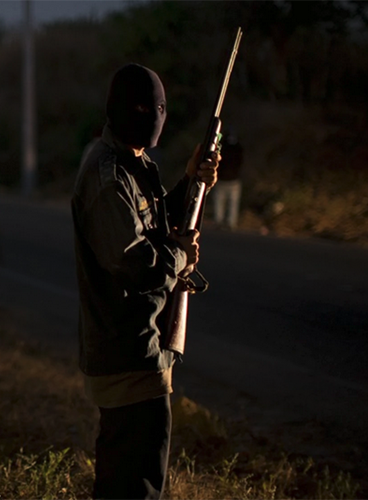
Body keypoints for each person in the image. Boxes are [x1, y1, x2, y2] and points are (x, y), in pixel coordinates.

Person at [71, 63, 218, 499]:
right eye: (145, 107)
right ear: (122, 110)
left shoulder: (133, 160)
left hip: (143, 348)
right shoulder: (106, 174)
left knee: (134, 477)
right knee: (134, 484)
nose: (154, 115)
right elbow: (135, 262)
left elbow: (155, 223)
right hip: (126, 355)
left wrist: (193, 178)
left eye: (160, 107)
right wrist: (181, 255)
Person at [212, 130, 244, 230]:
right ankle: (231, 223)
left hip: (222, 179)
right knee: (233, 204)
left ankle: (219, 221)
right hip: (233, 180)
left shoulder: (223, 148)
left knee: (219, 202)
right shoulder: (238, 148)